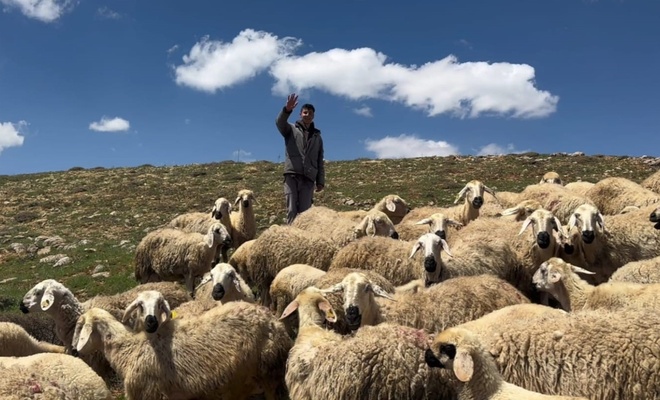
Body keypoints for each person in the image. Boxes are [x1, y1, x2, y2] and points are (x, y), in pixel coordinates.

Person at [276, 93, 325, 224]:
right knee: (291, 210)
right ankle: (291, 239)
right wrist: (287, 110)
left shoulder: (317, 137)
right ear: (300, 114)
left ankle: (303, 240)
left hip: (308, 178)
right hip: (292, 175)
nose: (307, 115)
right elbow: (279, 122)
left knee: (305, 213)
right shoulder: (291, 129)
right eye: (305, 112)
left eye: (310, 113)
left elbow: (320, 160)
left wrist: (320, 181)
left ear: (313, 115)